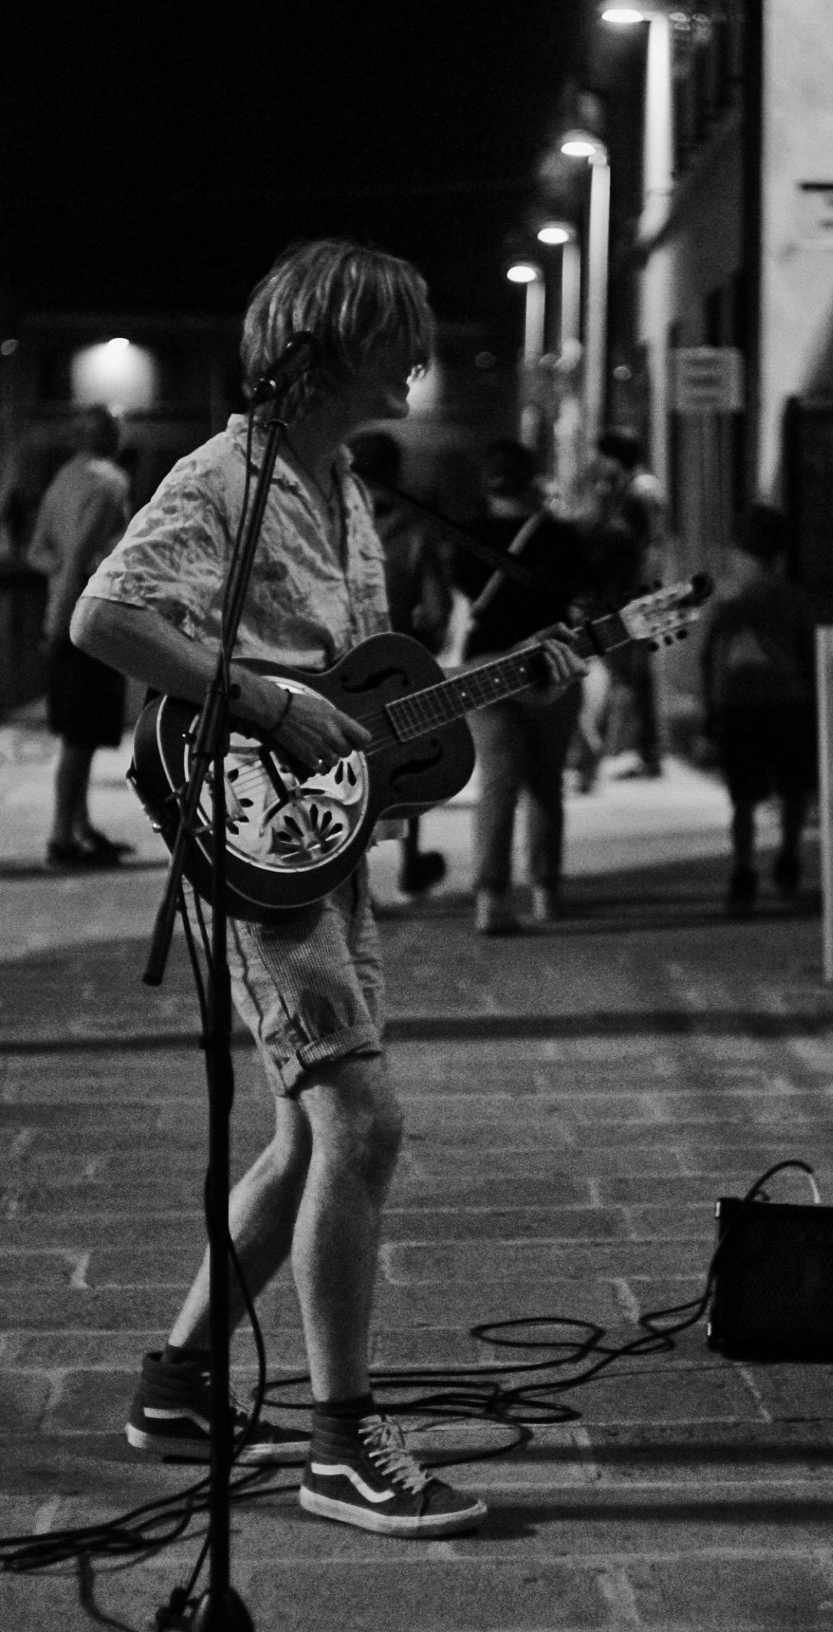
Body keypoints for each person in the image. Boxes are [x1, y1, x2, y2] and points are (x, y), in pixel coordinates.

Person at [70, 238, 585, 1539]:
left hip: (323, 847)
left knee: (311, 1135)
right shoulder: (225, 479)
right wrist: (260, 701)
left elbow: (356, 695)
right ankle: (340, 1447)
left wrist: (499, 680)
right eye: (398, 334)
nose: (419, 357)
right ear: (332, 344)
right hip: (255, 852)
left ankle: (180, 1383)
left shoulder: (344, 487)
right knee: (361, 1121)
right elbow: (106, 618)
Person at [450, 439, 591, 935]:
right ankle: (546, 891)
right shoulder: (561, 537)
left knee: (498, 781)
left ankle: (491, 899)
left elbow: (459, 595)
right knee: (546, 783)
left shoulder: (465, 536)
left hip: (486, 664)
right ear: (531, 480)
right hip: (550, 662)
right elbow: (578, 595)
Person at [25, 404, 134, 868]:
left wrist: (58, 599)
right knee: (82, 735)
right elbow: (77, 559)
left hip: (65, 611)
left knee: (78, 731)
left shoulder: (61, 481)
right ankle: (61, 836)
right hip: (91, 619)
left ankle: (80, 827)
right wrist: (70, 605)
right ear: (111, 437)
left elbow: (38, 553)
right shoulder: (110, 482)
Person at [699, 504, 817, 909]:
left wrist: (711, 709)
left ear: (739, 550)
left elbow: (711, 658)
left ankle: (743, 870)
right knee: (793, 789)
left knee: (743, 797)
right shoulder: (794, 598)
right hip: (788, 700)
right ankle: (788, 858)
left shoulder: (728, 600)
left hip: (740, 703)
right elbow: (808, 653)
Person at [351, 429, 452, 897]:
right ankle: (411, 867)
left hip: (338, 667)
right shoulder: (416, 531)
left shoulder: (331, 524)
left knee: (347, 774)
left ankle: (353, 877)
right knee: (408, 769)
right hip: (400, 666)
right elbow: (436, 609)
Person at [576, 427, 668, 782]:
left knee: (631, 673)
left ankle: (642, 751)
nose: (600, 464)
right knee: (630, 673)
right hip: (634, 593)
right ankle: (639, 751)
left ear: (616, 458)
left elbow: (633, 546)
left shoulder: (637, 492)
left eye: (604, 457)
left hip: (632, 595)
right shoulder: (637, 489)